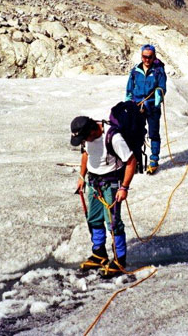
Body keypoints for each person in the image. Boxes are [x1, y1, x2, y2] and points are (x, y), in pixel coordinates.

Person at [71, 115, 137, 278]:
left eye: (84, 137)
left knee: (113, 223)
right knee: (93, 218)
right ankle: (99, 253)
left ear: (92, 130)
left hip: (111, 184)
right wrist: (81, 176)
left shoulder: (113, 137)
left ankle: (120, 260)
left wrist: (124, 187)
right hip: (94, 182)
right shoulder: (88, 138)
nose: (83, 140)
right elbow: (86, 154)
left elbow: (131, 161)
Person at [125, 44, 167, 174]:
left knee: (153, 133)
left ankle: (154, 159)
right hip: (137, 106)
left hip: (152, 106)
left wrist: (159, 93)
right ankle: (137, 159)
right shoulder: (135, 71)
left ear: (154, 56)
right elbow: (130, 87)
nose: (147, 60)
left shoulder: (158, 71)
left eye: (149, 57)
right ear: (141, 56)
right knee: (136, 133)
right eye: (144, 57)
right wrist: (128, 99)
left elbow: (162, 86)